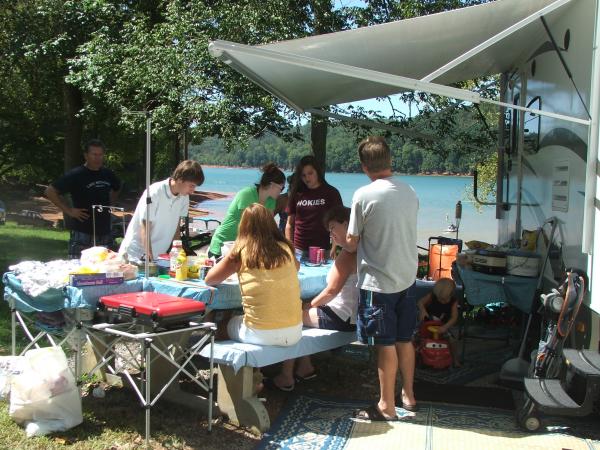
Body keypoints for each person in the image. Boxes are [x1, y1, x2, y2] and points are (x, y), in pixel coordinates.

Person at [344, 136, 419, 421]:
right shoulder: (409, 191)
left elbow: (352, 241)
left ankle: (386, 406)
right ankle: (409, 396)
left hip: (378, 281)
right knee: (405, 339)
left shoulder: (364, 195)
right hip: (407, 277)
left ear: (364, 166)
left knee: (385, 344)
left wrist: (341, 240)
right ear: (390, 161)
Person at [266, 205, 358, 391]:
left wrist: (308, 305)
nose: (330, 234)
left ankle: (286, 376)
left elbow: (330, 291)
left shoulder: (348, 255)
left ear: (346, 224)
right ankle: (305, 366)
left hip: (341, 315)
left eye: (332, 228)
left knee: (290, 318)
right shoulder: (364, 249)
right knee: (300, 316)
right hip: (353, 315)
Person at [204, 203, 302, 347]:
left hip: (260, 333)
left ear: (244, 226)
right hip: (294, 331)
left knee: (218, 326)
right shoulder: (285, 247)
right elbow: (296, 268)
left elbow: (210, 279)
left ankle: (206, 354)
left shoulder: (241, 250)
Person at [45, 139, 121, 258]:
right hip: (82, 231)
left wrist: (110, 204)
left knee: (107, 268)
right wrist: (69, 210)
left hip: (105, 230)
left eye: (100, 155)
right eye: (94, 154)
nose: (98, 158)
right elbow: (50, 191)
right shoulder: (76, 175)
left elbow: (117, 188)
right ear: (86, 155)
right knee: (79, 269)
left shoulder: (108, 174)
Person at [119, 160, 204, 262]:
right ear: (180, 179)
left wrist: (178, 254)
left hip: (158, 257)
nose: (192, 190)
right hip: (135, 254)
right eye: (191, 185)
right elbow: (145, 228)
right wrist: (149, 258)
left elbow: (176, 229)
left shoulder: (184, 198)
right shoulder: (154, 192)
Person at [208, 163, 285, 258]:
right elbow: (249, 228)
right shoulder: (246, 194)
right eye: (282, 188)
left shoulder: (271, 201)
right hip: (223, 245)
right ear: (272, 185)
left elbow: (269, 227)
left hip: (242, 248)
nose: (282, 191)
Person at [285, 155, 342, 256]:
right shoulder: (297, 193)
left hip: (323, 250)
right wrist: (290, 248)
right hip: (298, 250)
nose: (307, 178)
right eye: (303, 175)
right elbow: (289, 224)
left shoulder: (331, 193)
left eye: (310, 173)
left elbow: (338, 223)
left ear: (318, 172)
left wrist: (335, 246)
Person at [417, 277, 461, 367]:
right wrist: (423, 310)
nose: (443, 301)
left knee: (453, 341)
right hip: (426, 325)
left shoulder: (453, 302)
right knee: (414, 337)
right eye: (440, 298)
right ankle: (415, 355)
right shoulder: (432, 296)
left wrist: (446, 327)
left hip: (442, 327)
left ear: (451, 294)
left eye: (445, 299)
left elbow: (454, 317)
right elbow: (420, 302)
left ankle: (455, 360)